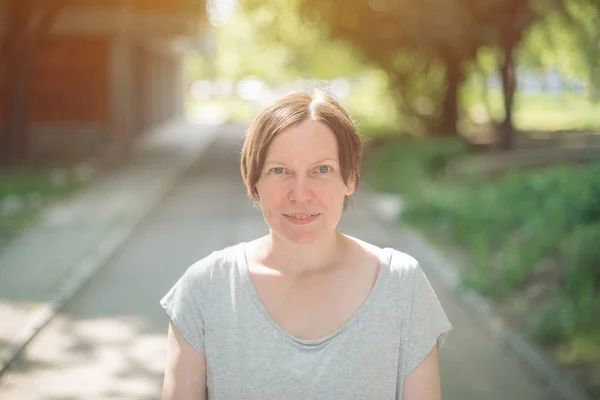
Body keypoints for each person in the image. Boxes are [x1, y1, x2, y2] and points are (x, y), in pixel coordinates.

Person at [160, 90, 452, 399]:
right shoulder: (204, 290)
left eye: (322, 170)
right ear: (253, 180)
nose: (300, 194)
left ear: (350, 177)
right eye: (279, 171)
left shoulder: (401, 287)